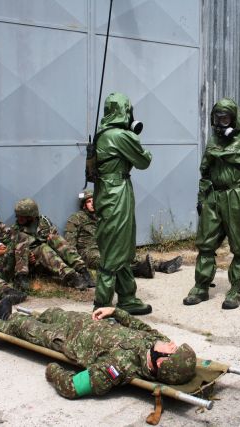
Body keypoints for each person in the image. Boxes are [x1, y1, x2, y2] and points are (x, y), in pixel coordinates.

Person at [0, 301, 197, 397]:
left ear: (161, 362)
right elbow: (139, 325)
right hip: (81, 322)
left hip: (65, 339)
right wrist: (115, 311)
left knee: (24, 327)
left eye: (173, 350)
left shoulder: (119, 368)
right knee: (52, 312)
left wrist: (53, 370)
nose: (172, 344)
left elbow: (72, 387)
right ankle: (6, 317)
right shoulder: (158, 342)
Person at [183, 98, 240, 310]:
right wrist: (202, 198)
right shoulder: (214, 140)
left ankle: (235, 290)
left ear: (234, 119)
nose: (220, 123)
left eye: (225, 119)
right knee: (205, 244)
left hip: (236, 197)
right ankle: (201, 287)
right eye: (217, 118)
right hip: (213, 196)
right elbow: (205, 172)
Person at [93, 93, 153, 315]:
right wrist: (134, 137)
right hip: (117, 193)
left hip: (108, 192)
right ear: (125, 111)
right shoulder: (120, 136)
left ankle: (127, 297)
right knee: (114, 248)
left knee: (121, 244)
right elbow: (144, 161)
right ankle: (102, 303)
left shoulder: (102, 134)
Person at [65, 189, 183, 279]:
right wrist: (76, 263)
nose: (92, 203)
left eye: (93, 200)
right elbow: (69, 243)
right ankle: (139, 270)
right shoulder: (76, 218)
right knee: (107, 262)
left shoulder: (102, 217)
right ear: (84, 205)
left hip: (105, 248)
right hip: (89, 252)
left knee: (127, 255)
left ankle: (162, 266)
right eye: (88, 201)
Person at [11, 198, 93, 290]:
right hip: (34, 265)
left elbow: (58, 242)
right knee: (43, 247)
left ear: (32, 216)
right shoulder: (16, 230)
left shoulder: (44, 222)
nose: (19, 218)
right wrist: (28, 257)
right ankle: (70, 276)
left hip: (51, 260)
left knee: (55, 238)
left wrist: (51, 239)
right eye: (18, 216)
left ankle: (83, 270)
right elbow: (17, 253)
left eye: (22, 216)